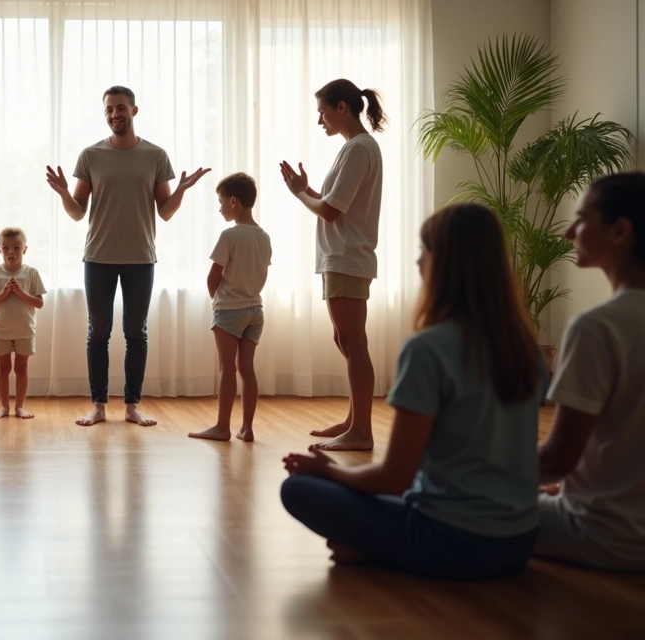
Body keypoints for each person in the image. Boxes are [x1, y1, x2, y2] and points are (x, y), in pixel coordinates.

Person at [280, 203, 543, 580]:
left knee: (298, 488)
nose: (419, 262)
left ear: (447, 264)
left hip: (450, 540)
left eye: (425, 251)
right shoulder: (525, 346)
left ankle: (377, 551)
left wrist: (330, 472)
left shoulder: (428, 348)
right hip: (519, 541)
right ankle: (374, 547)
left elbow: (394, 478)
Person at [46, 85, 210, 427]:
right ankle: (99, 405)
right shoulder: (91, 155)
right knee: (98, 333)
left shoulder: (155, 155)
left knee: (136, 333)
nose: (114, 114)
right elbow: (78, 212)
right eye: (109, 109)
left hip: (140, 258)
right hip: (98, 257)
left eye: (120, 108)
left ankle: (132, 405)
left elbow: (165, 212)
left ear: (134, 111)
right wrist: (63, 193)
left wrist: (181, 189)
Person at [535, 171, 645, 571]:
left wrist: (472, 470)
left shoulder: (598, 326)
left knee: (447, 500)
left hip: (602, 534)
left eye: (581, 219)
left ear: (620, 231)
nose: (568, 232)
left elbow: (556, 459)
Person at [279, 79, 386, 451]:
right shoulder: (355, 149)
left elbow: (328, 210)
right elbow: (330, 204)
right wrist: (307, 191)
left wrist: (300, 195)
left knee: (353, 343)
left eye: (323, 112)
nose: (320, 120)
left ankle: (361, 432)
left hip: (346, 257)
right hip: (341, 257)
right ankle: (353, 421)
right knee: (347, 340)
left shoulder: (358, 150)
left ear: (342, 108)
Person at [189, 173, 270, 443]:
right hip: (255, 311)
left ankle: (222, 427)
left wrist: (217, 301)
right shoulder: (263, 236)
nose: (220, 207)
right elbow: (261, 274)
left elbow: (213, 276)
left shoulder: (230, 235)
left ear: (233, 201)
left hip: (230, 311)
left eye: (221, 201)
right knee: (247, 369)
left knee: (227, 369)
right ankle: (247, 428)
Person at [0, 227, 46, 419]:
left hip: (25, 329)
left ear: (24, 249)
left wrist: (20, 292)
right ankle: (4, 407)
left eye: (16, 248)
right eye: (6, 248)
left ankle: (20, 406)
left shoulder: (32, 273)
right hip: (0, 330)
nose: (11, 252)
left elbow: (39, 303)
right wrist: (3, 293)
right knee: (2, 368)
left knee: (21, 368)